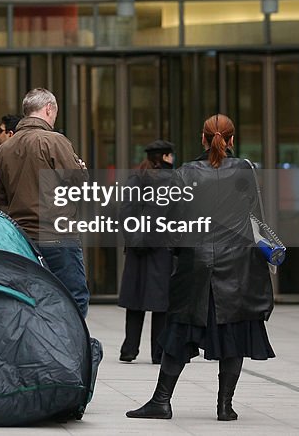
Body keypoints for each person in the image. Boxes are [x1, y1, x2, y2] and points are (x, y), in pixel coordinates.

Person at [127, 114, 275, 422]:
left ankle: (161, 401)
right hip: (237, 266)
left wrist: (177, 251)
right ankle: (225, 405)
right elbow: (256, 217)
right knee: (233, 332)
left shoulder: (185, 173)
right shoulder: (245, 170)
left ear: (202, 139)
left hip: (197, 264)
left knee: (180, 331)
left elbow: (175, 221)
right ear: (231, 140)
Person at [0, 88, 90, 317]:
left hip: (20, 240)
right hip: (57, 235)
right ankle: (68, 349)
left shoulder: (3, 150)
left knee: (28, 300)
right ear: (48, 109)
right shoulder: (54, 141)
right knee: (73, 298)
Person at [118, 139, 175, 364]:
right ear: (164, 157)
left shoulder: (137, 177)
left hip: (137, 247)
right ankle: (158, 352)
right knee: (161, 304)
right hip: (161, 248)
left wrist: (134, 238)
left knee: (135, 300)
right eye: (171, 155)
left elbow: (125, 211)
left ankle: (129, 349)